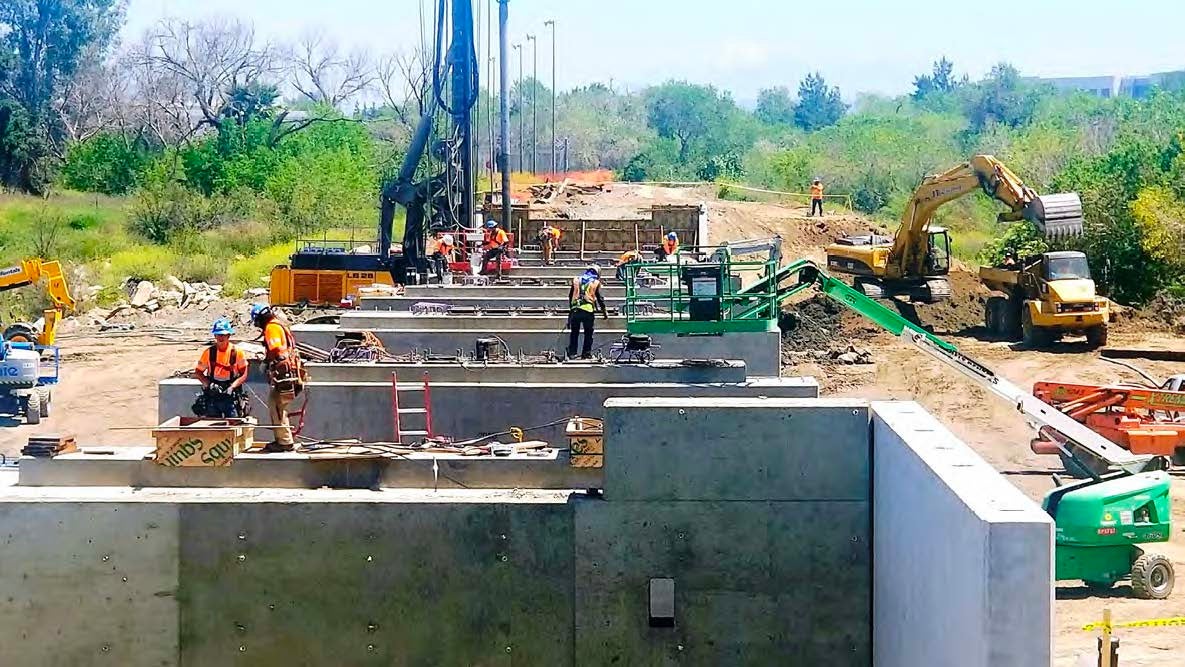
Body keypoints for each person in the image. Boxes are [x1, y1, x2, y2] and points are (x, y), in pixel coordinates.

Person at [250, 304, 306, 452]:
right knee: (277, 404)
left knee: (276, 404)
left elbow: (275, 349)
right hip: (291, 371)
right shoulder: (279, 324)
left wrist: (266, 362)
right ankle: (282, 439)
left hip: (285, 373)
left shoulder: (271, 328)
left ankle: (285, 442)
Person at [192, 317, 250, 419]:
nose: (221, 338)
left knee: (234, 424)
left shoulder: (237, 353)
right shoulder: (209, 353)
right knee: (212, 427)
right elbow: (198, 372)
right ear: (215, 335)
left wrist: (232, 387)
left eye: (223, 335)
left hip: (231, 396)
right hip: (213, 396)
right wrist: (209, 385)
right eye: (218, 335)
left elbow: (244, 374)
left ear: (229, 335)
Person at [567, 265, 608, 360]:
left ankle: (572, 353)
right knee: (588, 334)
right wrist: (604, 311)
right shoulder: (595, 282)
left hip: (575, 309)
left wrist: (570, 314)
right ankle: (586, 354)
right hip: (588, 310)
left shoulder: (576, 280)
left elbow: (570, 296)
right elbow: (599, 298)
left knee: (574, 333)